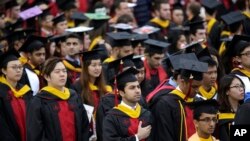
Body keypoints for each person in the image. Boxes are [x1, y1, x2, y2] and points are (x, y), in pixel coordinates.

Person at [26, 57, 89, 141]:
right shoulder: (38, 102)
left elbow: (84, 126)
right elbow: (35, 135)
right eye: (57, 72)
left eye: (64, 71)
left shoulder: (74, 96)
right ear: (47, 76)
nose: (62, 74)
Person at [151, 54, 208, 141]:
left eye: (199, 86)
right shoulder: (165, 104)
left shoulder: (198, 101)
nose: (197, 90)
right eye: (194, 87)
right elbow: (164, 136)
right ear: (182, 82)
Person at [103, 67, 153, 141]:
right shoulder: (111, 118)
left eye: (138, 87)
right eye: (132, 88)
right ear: (122, 93)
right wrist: (137, 137)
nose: (137, 91)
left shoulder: (146, 114)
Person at [72, 49, 112, 140]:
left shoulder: (104, 88)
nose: (97, 68)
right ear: (86, 67)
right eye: (93, 65)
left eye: (99, 65)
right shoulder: (77, 88)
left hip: (103, 130)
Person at [0, 49, 33, 141]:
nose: (18, 70)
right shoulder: (1, 93)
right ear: (4, 70)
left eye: (20, 67)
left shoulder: (26, 91)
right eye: (14, 67)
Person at [217, 74, 245, 140]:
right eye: (236, 86)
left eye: (242, 86)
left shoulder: (245, 111)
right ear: (227, 91)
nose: (241, 89)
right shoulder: (219, 115)